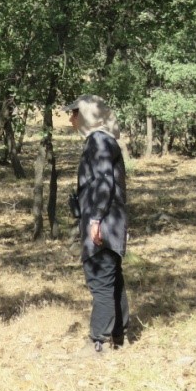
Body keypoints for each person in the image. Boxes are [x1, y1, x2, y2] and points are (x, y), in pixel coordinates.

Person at [66, 95, 129, 352]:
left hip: (102, 222)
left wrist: (95, 220)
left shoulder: (99, 140)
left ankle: (98, 341)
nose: (70, 118)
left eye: (74, 113)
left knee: (101, 280)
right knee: (112, 279)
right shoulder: (102, 140)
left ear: (88, 114)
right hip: (109, 222)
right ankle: (119, 335)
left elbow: (103, 182)